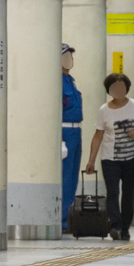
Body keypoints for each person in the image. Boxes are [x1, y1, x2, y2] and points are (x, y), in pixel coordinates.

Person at [85, 72, 134, 241]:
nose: (119, 90)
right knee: (112, 192)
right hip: (109, 158)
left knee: (128, 193)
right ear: (109, 90)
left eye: (122, 86)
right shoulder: (104, 110)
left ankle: (125, 227)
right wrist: (91, 160)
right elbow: (98, 135)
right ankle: (115, 225)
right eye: (114, 87)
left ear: (126, 88)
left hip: (132, 158)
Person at [60, 44, 83, 232]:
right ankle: (61, 220)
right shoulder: (56, 81)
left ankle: (68, 217)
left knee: (73, 176)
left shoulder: (70, 80)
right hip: (64, 132)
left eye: (70, 56)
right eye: (66, 56)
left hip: (76, 132)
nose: (69, 59)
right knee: (65, 176)